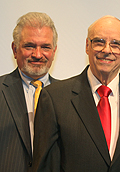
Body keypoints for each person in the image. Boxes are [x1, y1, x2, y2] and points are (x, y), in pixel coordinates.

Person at [32, 15, 120, 172]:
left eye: (116, 44)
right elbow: (45, 166)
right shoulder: (54, 98)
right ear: (87, 46)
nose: (107, 50)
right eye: (99, 42)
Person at [0, 12, 58, 172]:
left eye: (45, 47)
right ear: (14, 49)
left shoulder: (69, 96)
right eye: (30, 46)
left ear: (54, 50)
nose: (37, 54)